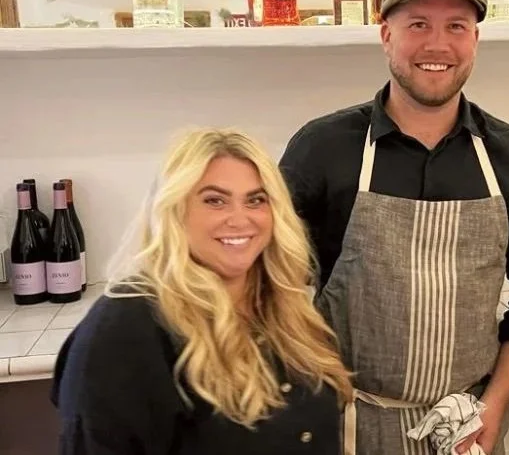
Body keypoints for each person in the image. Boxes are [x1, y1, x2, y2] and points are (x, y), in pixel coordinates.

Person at [278, 0, 509, 454]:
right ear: (386, 36)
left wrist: (493, 405)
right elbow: (271, 286)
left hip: (466, 428)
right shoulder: (322, 148)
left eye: (456, 26)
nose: (438, 45)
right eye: (418, 25)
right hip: (347, 425)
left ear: (475, 40)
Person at [50, 128, 354, 454]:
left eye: (255, 200)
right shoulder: (125, 329)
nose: (239, 219)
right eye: (214, 201)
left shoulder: (286, 308)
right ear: (175, 210)